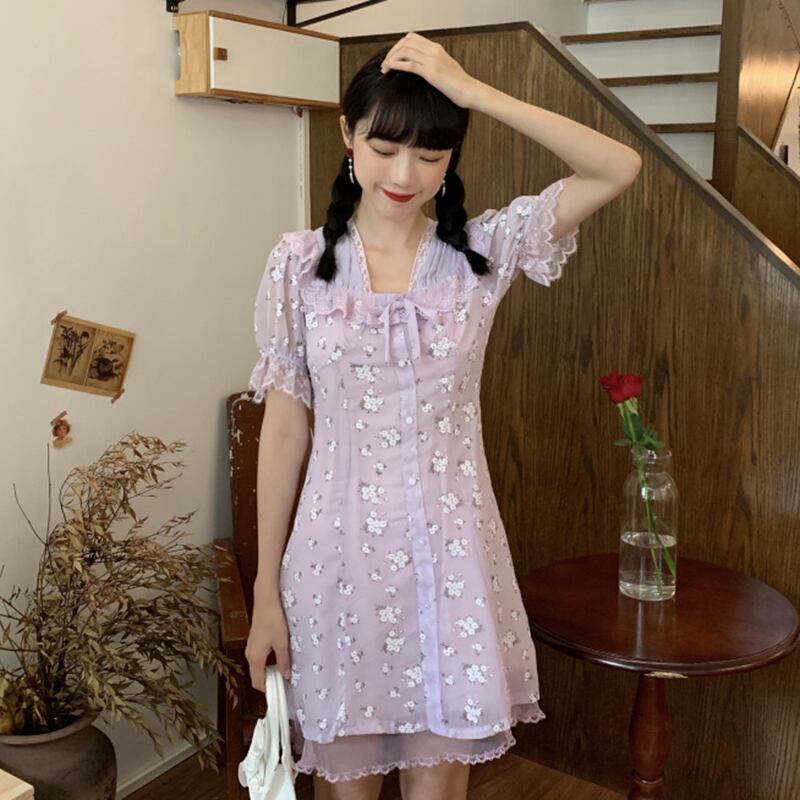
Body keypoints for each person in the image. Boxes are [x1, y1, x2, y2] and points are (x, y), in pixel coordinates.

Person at [245, 32, 641, 800]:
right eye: (384, 148)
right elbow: (285, 429)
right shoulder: (297, 265)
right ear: (347, 135)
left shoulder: (481, 253)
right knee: (345, 787)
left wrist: (476, 93)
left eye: (431, 154)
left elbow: (616, 166)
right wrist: (266, 594)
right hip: (334, 571)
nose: (405, 175)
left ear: (453, 154)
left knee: (441, 788)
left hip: (451, 571)